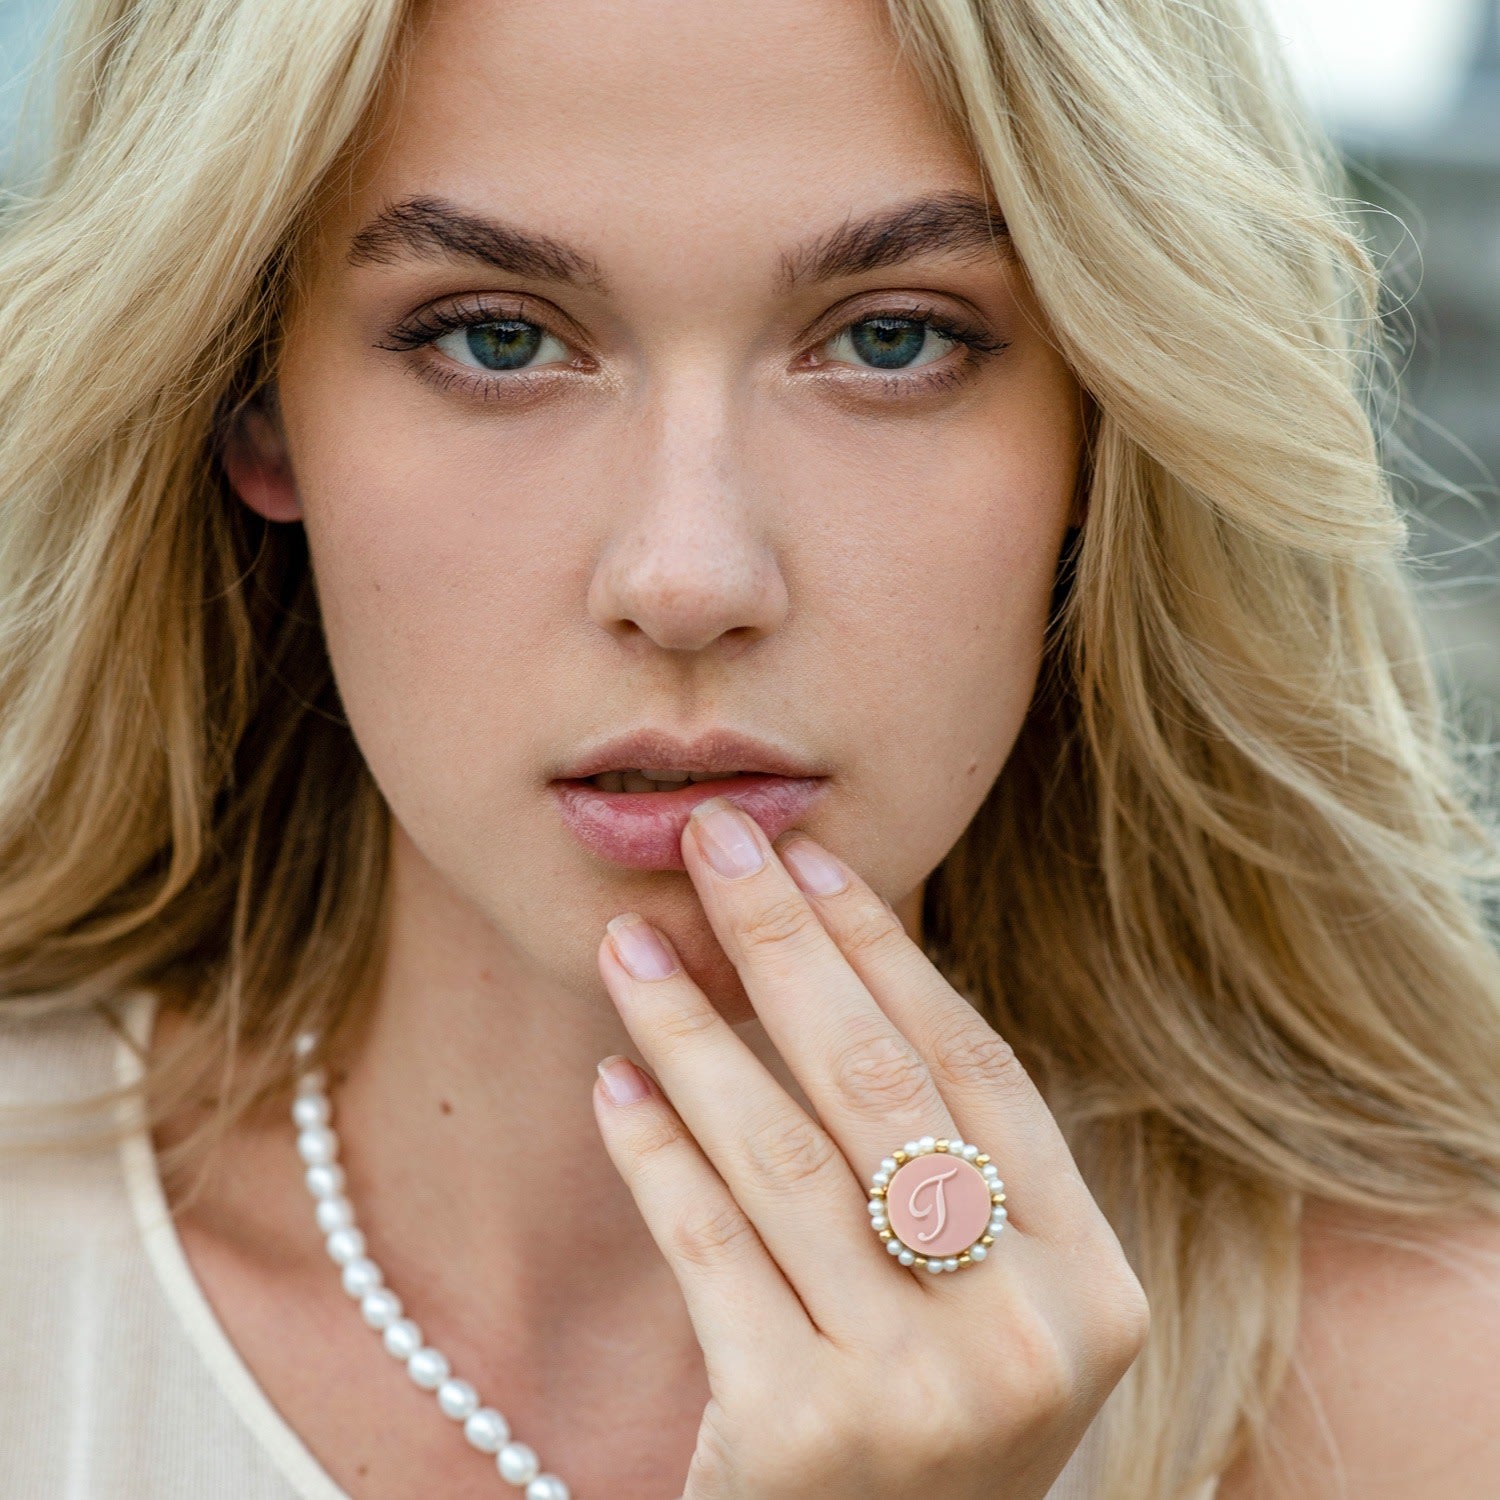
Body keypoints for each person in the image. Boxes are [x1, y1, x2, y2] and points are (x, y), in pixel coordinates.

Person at [2, 0, 1499, 1495]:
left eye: (892, 339)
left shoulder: (1425, 1392)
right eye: (498, 338)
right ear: (250, 400)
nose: (689, 578)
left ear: (1104, 428)